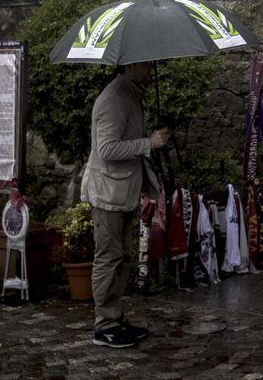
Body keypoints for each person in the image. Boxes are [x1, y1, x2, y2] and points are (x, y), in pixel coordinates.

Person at [80, 60, 168, 349]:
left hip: (122, 192)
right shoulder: (114, 98)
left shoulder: (131, 94)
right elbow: (106, 149)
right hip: (108, 194)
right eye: (145, 65)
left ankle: (115, 318)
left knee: (123, 257)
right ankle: (104, 325)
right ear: (128, 66)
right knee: (108, 257)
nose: (150, 69)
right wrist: (147, 143)